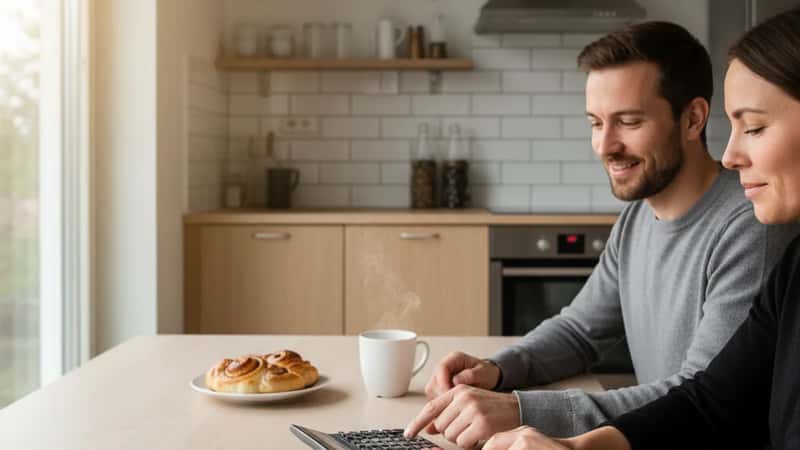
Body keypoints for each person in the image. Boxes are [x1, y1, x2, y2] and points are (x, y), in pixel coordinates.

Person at [404, 20, 800, 448]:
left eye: (628, 122)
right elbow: (582, 331)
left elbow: (704, 395)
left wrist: (520, 409)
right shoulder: (637, 218)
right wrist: (495, 370)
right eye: (596, 123)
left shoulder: (750, 227)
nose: (605, 145)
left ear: (693, 119)